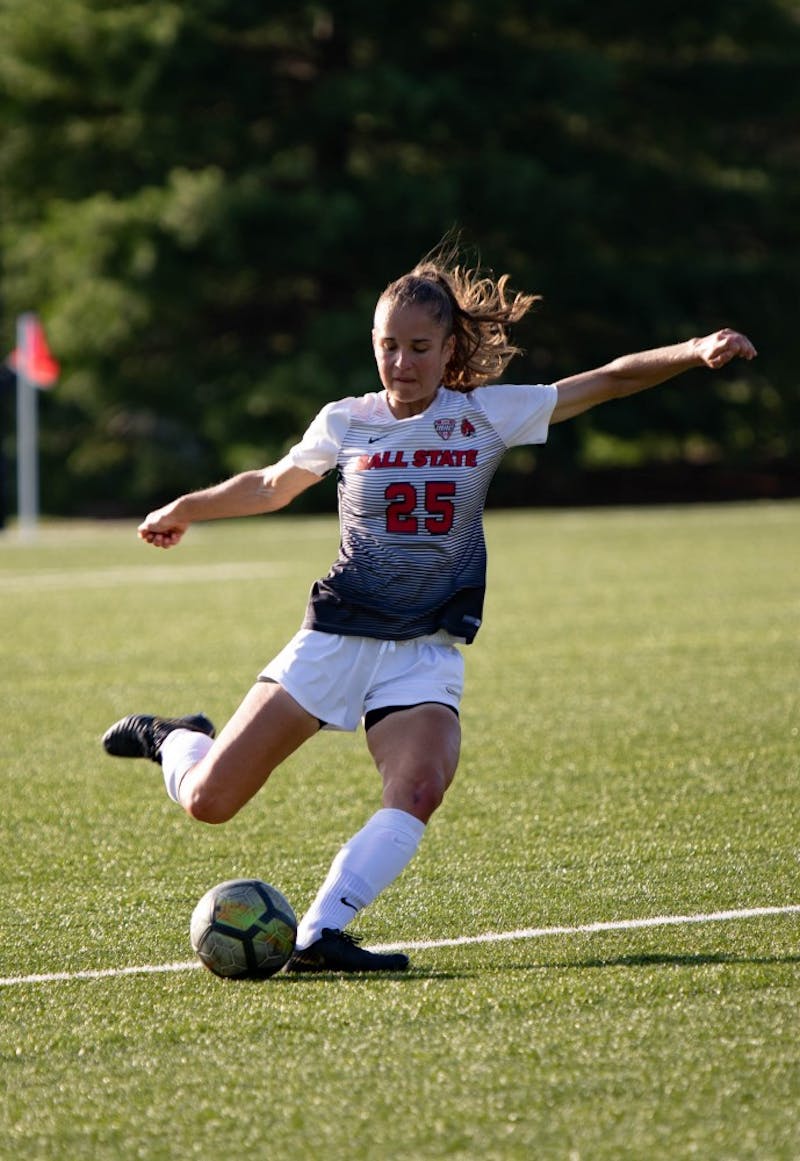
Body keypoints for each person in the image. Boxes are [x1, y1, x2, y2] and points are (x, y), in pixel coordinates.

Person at [102, 246, 757, 973]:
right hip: (337, 638)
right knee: (209, 801)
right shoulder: (345, 421)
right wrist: (185, 507)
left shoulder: (485, 415)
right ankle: (179, 737)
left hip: (423, 647)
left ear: (450, 350)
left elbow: (602, 382)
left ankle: (320, 935)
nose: (402, 361)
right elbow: (268, 484)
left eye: (419, 347)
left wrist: (694, 349)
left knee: (418, 785)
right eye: (388, 345)